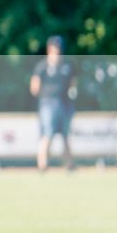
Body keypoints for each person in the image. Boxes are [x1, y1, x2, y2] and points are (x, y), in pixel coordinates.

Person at [30, 34, 77, 173]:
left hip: (65, 103)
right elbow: (34, 87)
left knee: (65, 135)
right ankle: (42, 165)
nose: (57, 50)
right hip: (48, 103)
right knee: (47, 134)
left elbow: (73, 84)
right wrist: (46, 96)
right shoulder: (42, 66)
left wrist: (72, 94)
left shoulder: (68, 65)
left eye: (58, 47)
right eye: (54, 47)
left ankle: (69, 165)